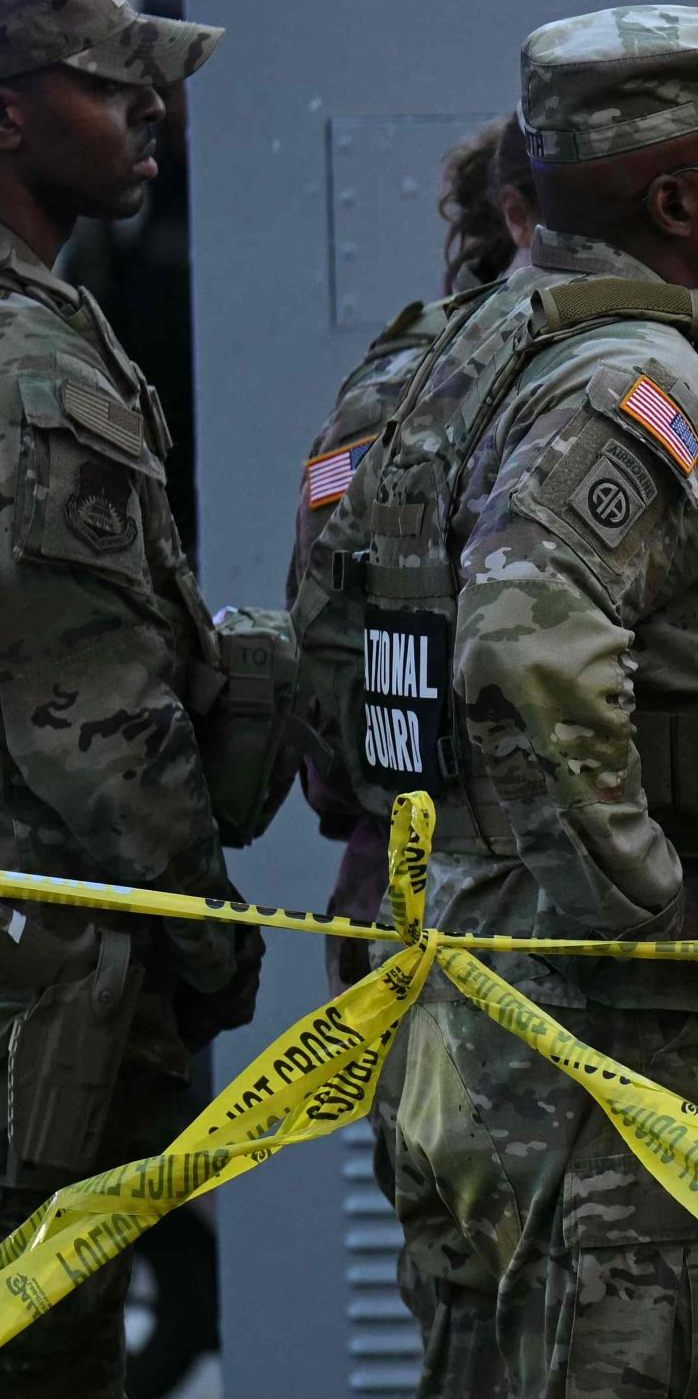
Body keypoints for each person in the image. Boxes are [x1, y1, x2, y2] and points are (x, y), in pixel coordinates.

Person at [315, 6, 698, 1399]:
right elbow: (529, 655)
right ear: (676, 197)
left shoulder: (445, 357)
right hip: (594, 1029)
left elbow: (333, 642)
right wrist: (640, 909)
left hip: (462, 978)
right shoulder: (629, 382)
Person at [0, 0, 264, 1399]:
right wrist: (206, 927)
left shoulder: (57, 316)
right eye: (113, 86)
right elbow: (83, 711)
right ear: (8, 119)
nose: (152, 115)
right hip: (38, 968)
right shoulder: (30, 362)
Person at [290, 113, 536, 982]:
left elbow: (318, 630)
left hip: (388, 875)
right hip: (520, 906)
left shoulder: (394, 376)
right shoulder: (580, 366)